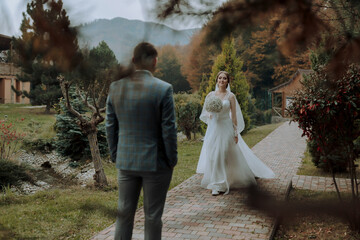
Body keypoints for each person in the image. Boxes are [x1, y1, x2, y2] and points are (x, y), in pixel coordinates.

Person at [106, 42, 177, 240]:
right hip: (156, 163)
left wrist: (116, 155)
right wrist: (172, 160)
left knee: (124, 214)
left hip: (126, 160)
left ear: (133, 61)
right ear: (154, 62)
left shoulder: (115, 88)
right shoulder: (163, 89)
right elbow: (169, 130)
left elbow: (110, 126)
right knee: (153, 216)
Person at [197, 71, 275, 196]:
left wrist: (235, 132)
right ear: (217, 80)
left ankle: (222, 183)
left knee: (223, 153)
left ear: (228, 81)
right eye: (220, 78)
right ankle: (217, 183)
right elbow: (206, 112)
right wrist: (210, 114)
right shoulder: (211, 95)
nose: (222, 80)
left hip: (226, 127)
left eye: (224, 78)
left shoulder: (231, 96)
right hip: (214, 128)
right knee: (214, 155)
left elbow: (233, 117)